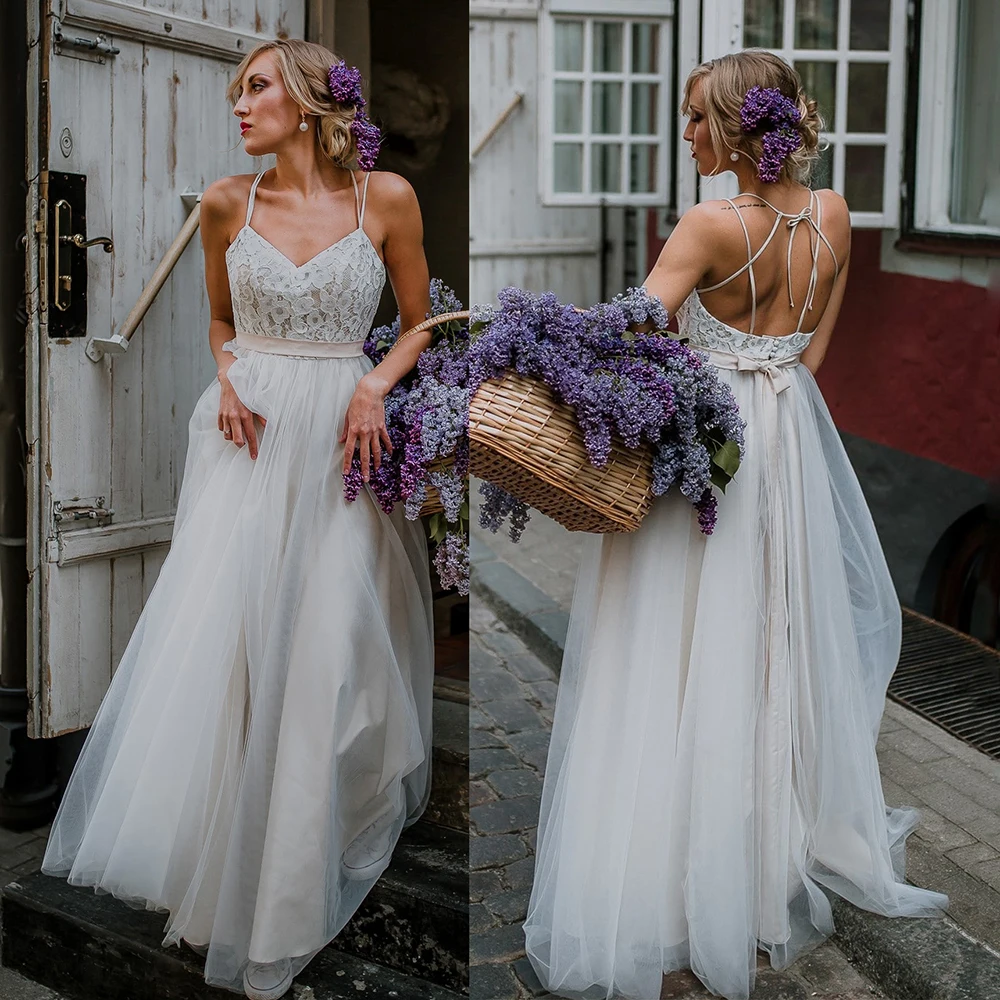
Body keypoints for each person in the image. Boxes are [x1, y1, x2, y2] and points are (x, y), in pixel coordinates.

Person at [523, 50, 948, 1000]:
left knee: (675, 637)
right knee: (767, 637)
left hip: (707, 440)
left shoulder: (710, 225)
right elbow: (814, 349)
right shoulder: (833, 215)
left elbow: (625, 337)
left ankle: (679, 860)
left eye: (695, 121)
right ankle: (761, 852)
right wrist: (768, 380)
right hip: (788, 431)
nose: (685, 138)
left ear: (733, 128)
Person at [40, 38, 437, 1000]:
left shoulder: (386, 199)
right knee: (234, 647)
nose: (240, 105)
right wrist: (224, 376)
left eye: (254, 88)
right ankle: (221, 871)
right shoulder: (229, 203)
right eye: (237, 92)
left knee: (326, 643)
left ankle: (296, 867)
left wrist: (377, 386)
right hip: (247, 439)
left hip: (343, 444)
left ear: (306, 101)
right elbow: (219, 322)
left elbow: (421, 321)